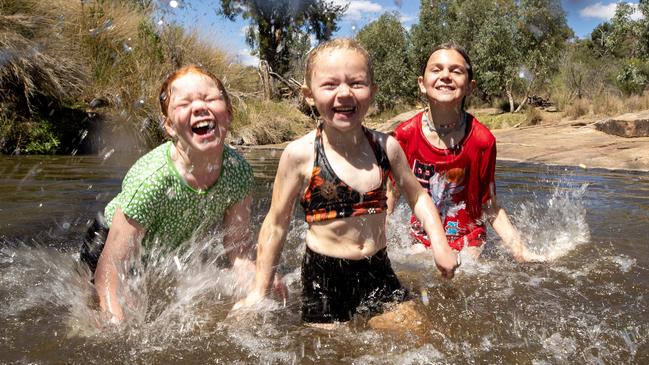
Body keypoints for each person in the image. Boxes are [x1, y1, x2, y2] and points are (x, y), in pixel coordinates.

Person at [234, 39, 459, 326]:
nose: (344, 93)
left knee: (417, 335)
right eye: (329, 85)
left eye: (356, 83)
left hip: (377, 269)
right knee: (332, 353)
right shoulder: (301, 154)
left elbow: (418, 197)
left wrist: (440, 243)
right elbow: (276, 223)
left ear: (373, 92)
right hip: (324, 279)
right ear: (309, 95)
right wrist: (259, 290)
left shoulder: (385, 147)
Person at [80, 65, 280, 324]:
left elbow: (238, 250)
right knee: (105, 311)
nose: (199, 107)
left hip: (161, 250)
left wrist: (258, 281)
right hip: (107, 242)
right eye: (184, 103)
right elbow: (110, 268)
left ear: (228, 114)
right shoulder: (151, 180)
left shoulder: (237, 171)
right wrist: (114, 329)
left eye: (209, 99)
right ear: (170, 127)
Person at [389, 43, 544, 262]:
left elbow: (490, 206)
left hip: (468, 239)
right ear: (422, 84)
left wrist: (520, 251)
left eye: (456, 71)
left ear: (470, 87)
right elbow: (391, 196)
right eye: (436, 69)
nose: (445, 76)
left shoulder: (482, 141)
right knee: (419, 265)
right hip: (422, 239)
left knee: (465, 271)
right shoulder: (404, 136)